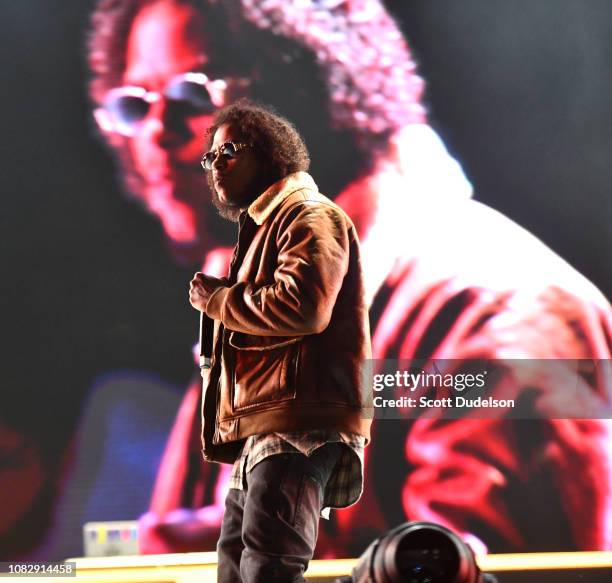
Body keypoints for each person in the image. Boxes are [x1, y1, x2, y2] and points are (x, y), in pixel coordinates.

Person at [87, 0, 612, 557]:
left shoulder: (507, 312)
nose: (153, 134)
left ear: (306, 88)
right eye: (131, 106)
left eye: (191, 96)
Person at [187, 101, 371, 581]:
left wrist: (219, 302)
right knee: (236, 570)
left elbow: (303, 308)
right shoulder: (265, 226)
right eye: (210, 157)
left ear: (269, 153)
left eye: (229, 150)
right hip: (265, 429)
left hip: (297, 425)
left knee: (269, 569)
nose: (216, 165)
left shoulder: (309, 216)